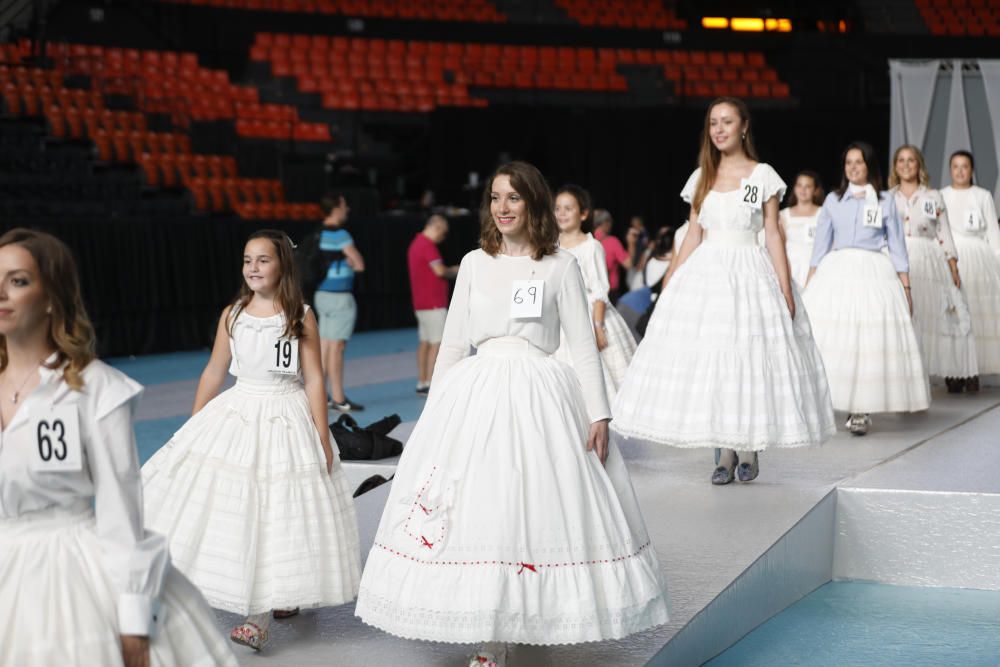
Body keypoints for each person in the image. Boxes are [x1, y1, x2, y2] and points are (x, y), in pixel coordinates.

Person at [355, 162, 669, 666]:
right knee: (482, 509)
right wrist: (430, 419)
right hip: (476, 395)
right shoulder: (475, 264)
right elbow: (454, 345)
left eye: (514, 198)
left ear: (534, 205)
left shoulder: (561, 266)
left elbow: (583, 348)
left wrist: (599, 415)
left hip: (539, 396)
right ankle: (489, 637)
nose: (502, 208)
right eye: (496, 198)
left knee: (531, 509)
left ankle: (527, 616)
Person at [0, 228, 237, 667]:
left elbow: (120, 509)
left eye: (17, 281)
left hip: (72, 575)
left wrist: (135, 621)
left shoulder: (96, 390)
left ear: (52, 295)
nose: (1, 293)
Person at [142, 230, 361, 652]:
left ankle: (268, 607)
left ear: (282, 266)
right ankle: (257, 608)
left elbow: (314, 377)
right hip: (240, 413)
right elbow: (214, 370)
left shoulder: (300, 315)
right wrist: (195, 420)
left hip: (286, 417)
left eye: (262, 260)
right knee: (245, 512)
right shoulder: (233, 314)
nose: (253, 268)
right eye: (247, 260)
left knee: (281, 511)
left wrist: (321, 432)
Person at [611, 97, 836, 485]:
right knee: (714, 360)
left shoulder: (762, 174)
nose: (719, 129)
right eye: (713, 122)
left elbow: (772, 233)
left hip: (749, 270)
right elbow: (693, 234)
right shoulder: (702, 177)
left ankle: (747, 446)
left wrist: (784, 287)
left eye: (727, 121)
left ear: (744, 126)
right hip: (708, 274)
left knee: (746, 355)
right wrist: (669, 284)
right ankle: (724, 450)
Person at [803, 141, 930, 435]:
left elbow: (897, 246)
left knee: (867, 341)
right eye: (848, 163)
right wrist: (810, 283)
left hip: (874, 272)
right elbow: (819, 247)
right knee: (835, 340)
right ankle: (829, 402)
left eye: (858, 162)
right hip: (837, 273)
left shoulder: (885, 201)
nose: (853, 168)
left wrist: (906, 287)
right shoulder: (834, 201)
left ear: (869, 166)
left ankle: (861, 409)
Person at [889, 145, 977, 392]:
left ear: (919, 165)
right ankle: (904, 373)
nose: (906, 165)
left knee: (932, 313)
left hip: (928, 259)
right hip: (897, 259)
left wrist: (952, 264)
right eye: (901, 161)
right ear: (895, 166)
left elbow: (943, 231)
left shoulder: (932, 196)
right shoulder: (887, 198)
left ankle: (946, 371)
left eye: (911, 161)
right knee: (905, 313)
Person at [553, 184, 637, 403]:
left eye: (568, 208)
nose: (561, 213)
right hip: (559, 318)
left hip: (588, 316)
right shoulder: (551, 247)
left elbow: (600, 290)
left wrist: (598, 327)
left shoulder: (591, 247)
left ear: (583, 213)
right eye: (558, 208)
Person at [941, 150, 1000, 388]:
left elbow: (993, 234)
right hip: (951, 258)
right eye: (955, 166)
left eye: (965, 166)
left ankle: (973, 369)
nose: (960, 171)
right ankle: (954, 371)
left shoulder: (983, 196)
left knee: (976, 313)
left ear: (972, 170)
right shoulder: (941, 195)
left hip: (978, 260)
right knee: (953, 315)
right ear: (950, 170)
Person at [314, 192, 366, 412]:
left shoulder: (318, 234)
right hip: (339, 297)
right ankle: (338, 397)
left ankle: (322, 395)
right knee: (336, 348)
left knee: (325, 345)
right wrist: (349, 261)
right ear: (336, 208)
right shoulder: (341, 235)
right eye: (344, 205)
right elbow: (360, 264)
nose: (347, 209)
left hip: (321, 295)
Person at [407, 214, 459, 395]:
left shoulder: (415, 244)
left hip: (421, 303)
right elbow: (440, 271)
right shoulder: (428, 246)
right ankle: (431, 381)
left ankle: (422, 381)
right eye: (442, 234)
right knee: (437, 343)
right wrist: (457, 271)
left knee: (425, 342)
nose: (442, 238)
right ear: (436, 228)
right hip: (434, 302)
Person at [780, 171, 824, 288]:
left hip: (816, 265)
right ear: (794, 188)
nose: (803, 190)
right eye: (799, 185)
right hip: (791, 266)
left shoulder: (823, 213)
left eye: (808, 186)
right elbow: (780, 245)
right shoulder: (784, 215)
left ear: (815, 190)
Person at [593, 209, 639, 302]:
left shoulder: (586, 240)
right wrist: (631, 243)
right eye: (610, 222)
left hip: (590, 291)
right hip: (609, 293)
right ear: (605, 223)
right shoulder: (612, 241)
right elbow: (629, 264)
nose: (611, 225)